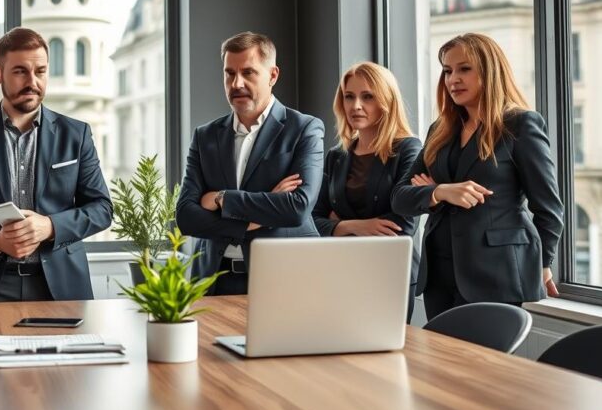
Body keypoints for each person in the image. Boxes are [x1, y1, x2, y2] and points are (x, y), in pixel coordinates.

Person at [0, 27, 112, 303]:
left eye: (40, 71)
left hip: (60, 287)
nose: (32, 82)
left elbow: (101, 209)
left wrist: (50, 226)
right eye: (20, 72)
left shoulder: (76, 134)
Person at [391, 33, 563, 321]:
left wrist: (543, 262)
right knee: (444, 365)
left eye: (464, 69)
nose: (453, 79)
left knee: (485, 365)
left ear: (489, 70)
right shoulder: (440, 130)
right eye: (447, 71)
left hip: (496, 273)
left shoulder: (520, 125)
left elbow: (548, 208)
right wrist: (441, 191)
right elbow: (399, 198)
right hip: (439, 275)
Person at [175, 31, 324, 295]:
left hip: (285, 280)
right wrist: (255, 217)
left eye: (248, 72)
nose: (236, 84)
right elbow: (186, 216)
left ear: (273, 75)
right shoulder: (205, 136)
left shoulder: (304, 129)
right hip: (213, 281)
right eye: (229, 73)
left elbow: (297, 207)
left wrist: (222, 199)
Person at [312, 62, 422, 321]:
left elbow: (402, 226)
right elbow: (313, 221)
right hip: (340, 270)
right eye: (349, 96)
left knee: (384, 355)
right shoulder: (336, 156)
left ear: (386, 101)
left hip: (388, 272)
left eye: (367, 96)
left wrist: (338, 223)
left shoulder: (407, 149)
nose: (356, 105)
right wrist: (359, 226)